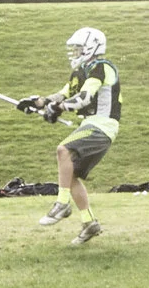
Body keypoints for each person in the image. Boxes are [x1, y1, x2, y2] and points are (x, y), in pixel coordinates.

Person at [23, 27, 119, 245]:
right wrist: (38, 102)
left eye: (78, 48)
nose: (74, 52)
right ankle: (89, 222)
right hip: (91, 124)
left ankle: (62, 204)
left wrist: (58, 108)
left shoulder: (102, 67)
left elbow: (84, 97)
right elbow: (63, 94)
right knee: (70, 175)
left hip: (102, 124)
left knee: (63, 150)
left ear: (91, 47)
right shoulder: (80, 71)